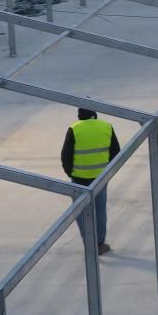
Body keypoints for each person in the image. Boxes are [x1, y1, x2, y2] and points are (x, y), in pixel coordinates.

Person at [61, 108, 120, 255]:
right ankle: (99, 243)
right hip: (100, 176)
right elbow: (116, 152)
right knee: (99, 209)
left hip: (79, 177)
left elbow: (66, 155)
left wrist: (70, 173)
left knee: (79, 210)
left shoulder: (74, 129)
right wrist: (107, 171)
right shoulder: (106, 126)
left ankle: (88, 241)